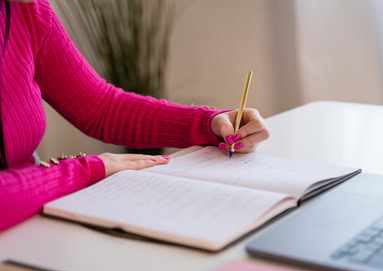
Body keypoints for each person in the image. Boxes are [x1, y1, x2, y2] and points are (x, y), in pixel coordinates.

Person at [0, 0, 269, 232]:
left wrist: (210, 124)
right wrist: (84, 170)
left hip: (32, 226)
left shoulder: (25, 10)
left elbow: (101, 108)